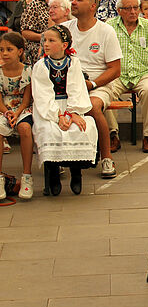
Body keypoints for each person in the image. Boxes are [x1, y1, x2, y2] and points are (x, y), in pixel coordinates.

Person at [31, 25, 99, 196]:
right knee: (49, 131)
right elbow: (42, 94)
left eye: (51, 40)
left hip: (71, 106)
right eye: (44, 40)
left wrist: (73, 113)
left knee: (82, 128)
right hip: (48, 109)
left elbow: (77, 88)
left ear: (64, 45)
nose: (46, 44)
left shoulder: (73, 63)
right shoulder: (41, 66)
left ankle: (76, 171)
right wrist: (58, 116)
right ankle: (53, 172)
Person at [65, 0, 121, 178]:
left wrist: (92, 85)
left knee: (92, 107)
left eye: (78, 0)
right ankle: (60, 157)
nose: (73, 2)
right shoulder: (65, 30)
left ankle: (106, 157)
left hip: (99, 84)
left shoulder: (106, 31)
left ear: (92, 6)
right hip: (68, 85)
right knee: (56, 108)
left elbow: (115, 69)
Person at [105, 0, 148, 153]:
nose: (133, 12)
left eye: (136, 8)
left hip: (143, 73)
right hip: (117, 74)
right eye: (128, 8)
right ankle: (113, 134)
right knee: (107, 92)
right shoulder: (109, 26)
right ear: (119, 11)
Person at [0, 32, 34, 198]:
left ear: (20, 51)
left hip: (22, 109)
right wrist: (6, 112)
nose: (4, 53)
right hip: (3, 109)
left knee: (25, 128)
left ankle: (27, 176)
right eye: (1, 50)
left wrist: (16, 113)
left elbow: (26, 99)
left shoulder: (28, 70)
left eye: (9, 49)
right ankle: (0, 178)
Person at [21, 0, 63, 64]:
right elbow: (25, 32)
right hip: (38, 48)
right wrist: (45, 37)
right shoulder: (35, 4)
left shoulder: (68, 3)